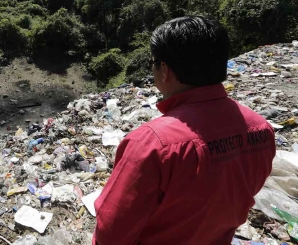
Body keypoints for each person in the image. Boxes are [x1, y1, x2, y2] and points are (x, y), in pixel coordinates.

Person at [93, 16, 275, 245]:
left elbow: (110, 234)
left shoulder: (150, 144)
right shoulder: (262, 129)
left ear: (165, 70)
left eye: (154, 62)